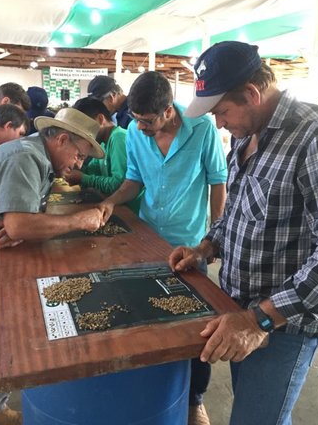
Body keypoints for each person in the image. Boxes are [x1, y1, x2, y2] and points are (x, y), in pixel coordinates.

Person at [169, 40, 318, 425]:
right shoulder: (245, 135)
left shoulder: (315, 136)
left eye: (222, 111)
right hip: (238, 310)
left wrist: (259, 319)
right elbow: (239, 212)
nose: (220, 124)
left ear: (252, 94)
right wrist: (206, 247)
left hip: (284, 324)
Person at [98, 71, 228, 425]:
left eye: (147, 121)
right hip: (148, 239)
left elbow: (218, 183)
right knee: (149, 318)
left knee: (197, 329)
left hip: (190, 245)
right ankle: (156, 390)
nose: (139, 128)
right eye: (135, 120)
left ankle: (194, 400)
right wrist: (109, 203)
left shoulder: (202, 130)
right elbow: (133, 181)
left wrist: (212, 239)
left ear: (168, 110)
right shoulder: (138, 136)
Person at [0, 107, 105, 425]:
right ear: (61, 139)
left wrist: (23, 225)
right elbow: (18, 226)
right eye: (80, 156)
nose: (78, 165)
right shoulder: (25, 158)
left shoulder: (37, 157)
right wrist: (79, 220)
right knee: (2, 332)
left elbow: (18, 224)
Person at [65, 97, 142, 213]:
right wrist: (73, 164)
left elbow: (119, 185)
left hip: (131, 211)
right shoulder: (102, 143)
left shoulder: (119, 137)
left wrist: (82, 177)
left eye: (83, 128)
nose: (82, 133)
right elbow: (91, 171)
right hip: (117, 207)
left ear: (100, 119)